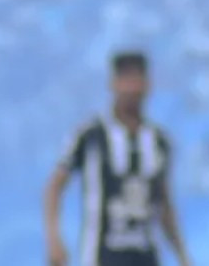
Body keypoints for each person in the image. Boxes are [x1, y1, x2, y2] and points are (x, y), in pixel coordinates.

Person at [43, 52, 192, 266]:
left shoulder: (160, 141)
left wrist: (182, 255)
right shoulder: (90, 135)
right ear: (113, 84)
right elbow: (54, 187)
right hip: (101, 256)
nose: (132, 88)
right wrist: (54, 240)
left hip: (147, 257)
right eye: (126, 80)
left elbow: (164, 204)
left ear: (147, 85)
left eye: (137, 80)